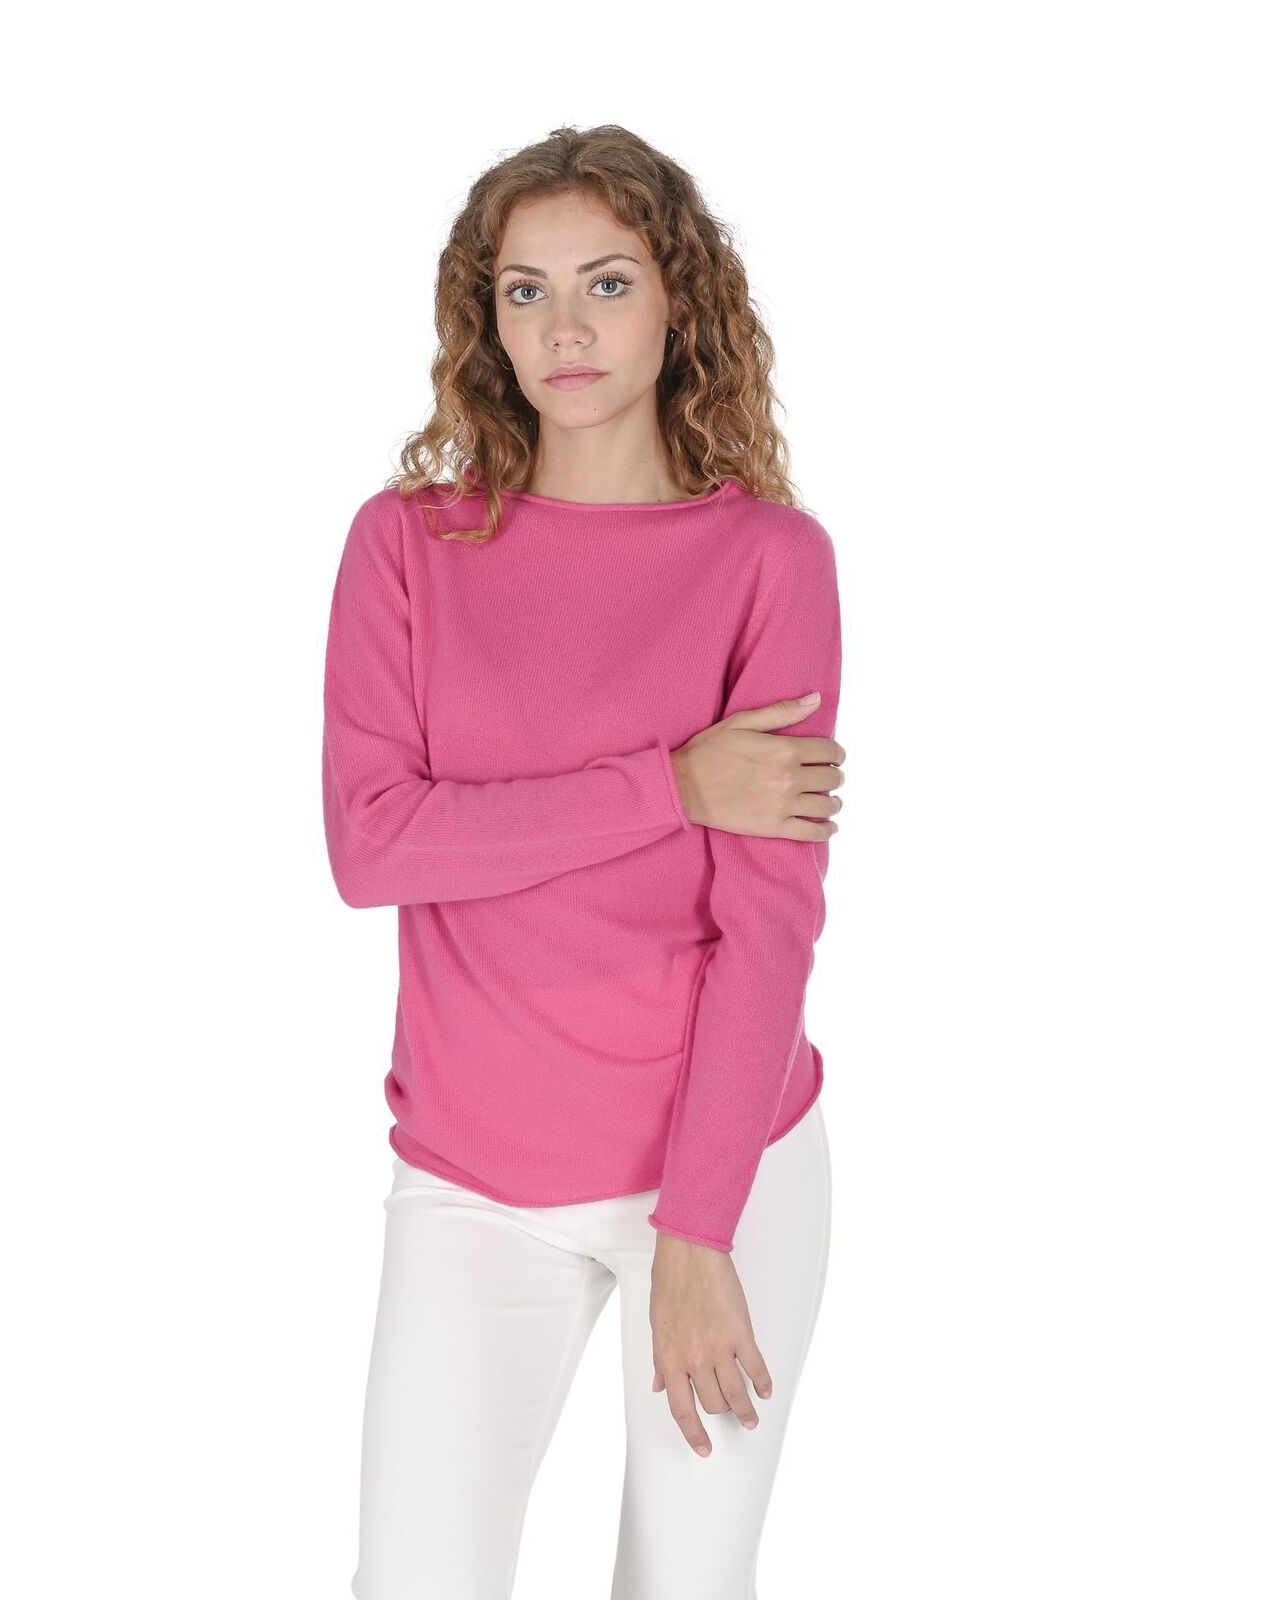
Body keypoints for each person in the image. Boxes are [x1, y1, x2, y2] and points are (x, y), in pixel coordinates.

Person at [321, 122, 845, 1600]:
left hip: (722, 1159)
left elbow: (770, 930)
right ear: (484, 321)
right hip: (474, 1177)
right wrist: (671, 785)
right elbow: (374, 843)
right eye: (526, 290)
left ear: (680, 302)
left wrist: (699, 1227)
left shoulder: (770, 562)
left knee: (686, 1585)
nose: (566, 327)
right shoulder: (406, 548)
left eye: (608, 283)